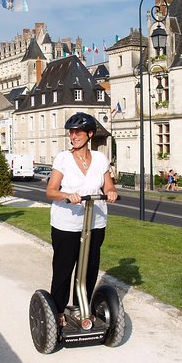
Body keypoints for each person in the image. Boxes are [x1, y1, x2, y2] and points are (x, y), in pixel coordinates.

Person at [45, 112, 118, 326]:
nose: (74, 135)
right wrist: (67, 195)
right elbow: (51, 191)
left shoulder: (100, 159)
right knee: (64, 268)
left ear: (90, 134)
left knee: (89, 267)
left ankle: (80, 307)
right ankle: (58, 310)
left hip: (95, 221)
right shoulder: (63, 158)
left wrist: (111, 191)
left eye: (78, 132)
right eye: (71, 132)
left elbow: (108, 185)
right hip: (66, 223)